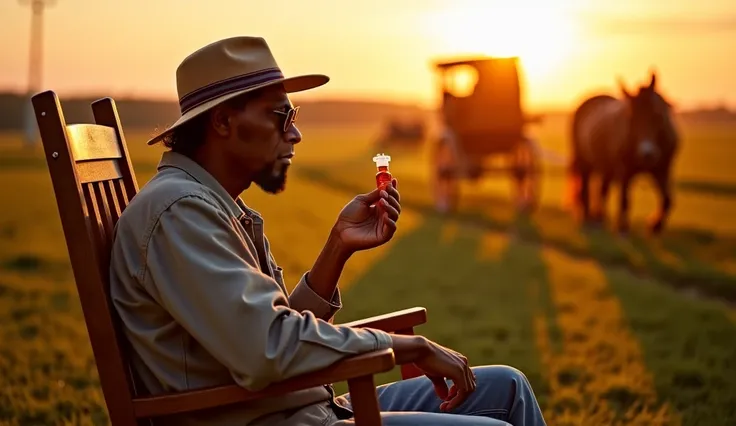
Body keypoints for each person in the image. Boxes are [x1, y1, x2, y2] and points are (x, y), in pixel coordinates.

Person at [109, 36, 547, 426]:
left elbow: (271, 331)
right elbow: (268, 350)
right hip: (284, 418)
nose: (295, 133)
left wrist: (338, 246)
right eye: (281, 116)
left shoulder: (214, 206)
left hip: (312, 406)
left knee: (508, 387)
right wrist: (409, 348)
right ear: (223, 122)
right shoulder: (180, 213)